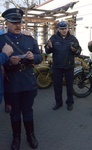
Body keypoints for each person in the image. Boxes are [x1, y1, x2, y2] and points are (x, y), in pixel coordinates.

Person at [0, 8, 43, 150]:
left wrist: (33, 57)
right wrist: (7, 62)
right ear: (7, 23)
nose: (18, 25)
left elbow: (39, 57)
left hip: (28, 81)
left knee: (28, 111)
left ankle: (31, 135)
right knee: (15, 112)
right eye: (14, 23)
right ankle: (16, 137)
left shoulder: (29, 38)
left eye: (19, 22)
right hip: (11, 83)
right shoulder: (1, 40)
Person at [45, 21, 81, 111]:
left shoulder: (73, 39)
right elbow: (47, 51)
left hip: (69, 66)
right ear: (58, 29)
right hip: (57, 66)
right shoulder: (54, 38)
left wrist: (75, 50)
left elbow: (79, 51)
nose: (64, 30)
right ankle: (58, 103)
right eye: (62, 29)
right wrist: (49, 47)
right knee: (57, 86)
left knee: (69, 86)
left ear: (67, 28)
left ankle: (70, 102)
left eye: (65, 28)